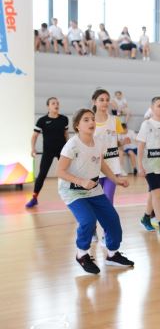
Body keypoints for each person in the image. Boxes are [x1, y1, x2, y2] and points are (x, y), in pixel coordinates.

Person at [56, 108, 134, 274]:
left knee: (112, 219)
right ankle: (82, 254)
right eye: (86, 120)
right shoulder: (72, 145)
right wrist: (81, 181)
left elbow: (102, 164)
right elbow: (60, 171)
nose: (91, 122)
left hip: (93, 189)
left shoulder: (98, 143)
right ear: (77, 125)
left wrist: (115, 179)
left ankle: (112, 255)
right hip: (72, 191)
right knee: (88, 220)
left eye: (92, 119)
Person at [136, 97, 160, 238]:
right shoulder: (146, 124)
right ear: (152, 108)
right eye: (159, 106)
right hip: (150, 166)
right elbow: (140, 146)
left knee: (154, 194)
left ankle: (146, 218)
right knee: (157, 193)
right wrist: (139, 165)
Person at [26, 97, 69, 208]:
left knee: (68, 172)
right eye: (53, 103)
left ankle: (74, 195)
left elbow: (66, 134)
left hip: (62, 151)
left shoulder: (64, 119)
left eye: (57, 103)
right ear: (48, 106)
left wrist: (69, 148)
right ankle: (34, 198)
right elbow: (34, 136)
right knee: (42, 174)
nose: (56, 105)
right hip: (48, 152)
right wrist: (33, 148)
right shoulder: (42, 120)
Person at [92, 89, 125, 203]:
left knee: (108, 199)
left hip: (112, 167)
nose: (105, 102)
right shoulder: (90, 121)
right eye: (101, 100)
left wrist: (123, 142)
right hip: (95, 167)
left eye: (107, 100)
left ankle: (108, 216)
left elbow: (117, 142)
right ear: (94, 102)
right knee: (97, 201)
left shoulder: (115, 120)